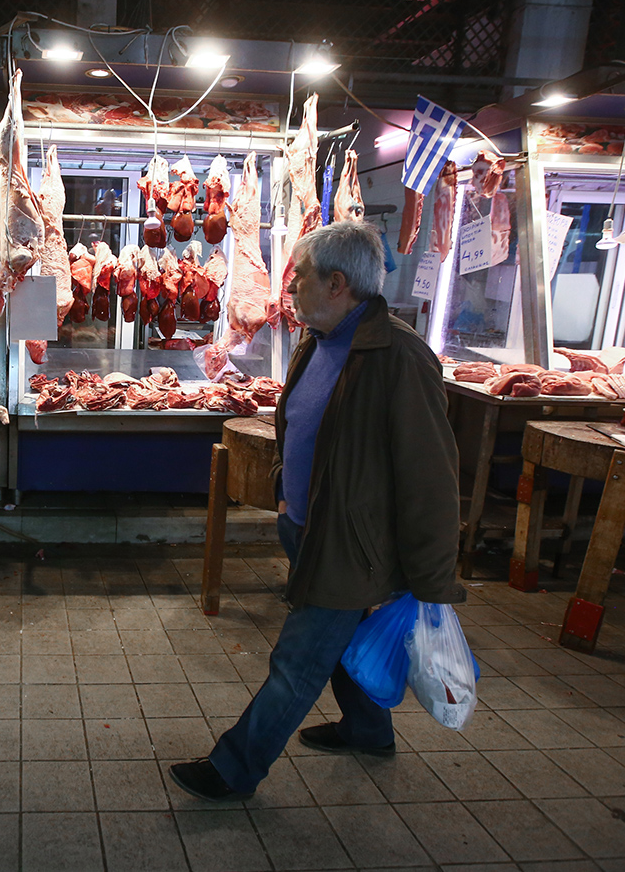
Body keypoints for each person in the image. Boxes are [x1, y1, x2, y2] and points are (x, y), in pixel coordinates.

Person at [170, 220, 465, 802]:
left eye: (298, 277)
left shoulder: (399, 358)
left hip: (351, 546)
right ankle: (368, 730)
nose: (289, 289)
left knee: (298, 661)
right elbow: (297, 424)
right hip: (306, 527)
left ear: (336, 283)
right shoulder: (319, 340)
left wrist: (432, 581)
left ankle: (234, 769)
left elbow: (431, 478)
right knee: (340, 639)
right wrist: (285, 487)